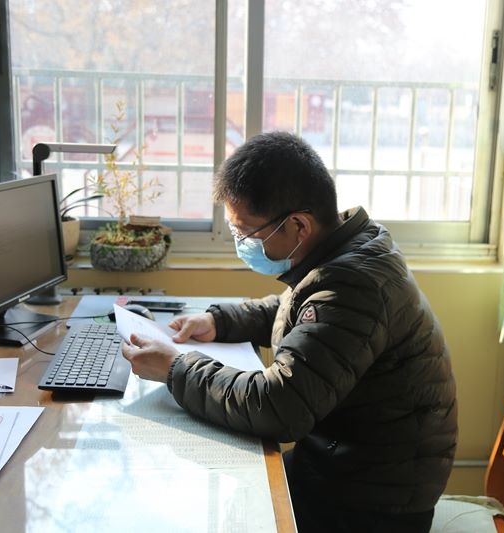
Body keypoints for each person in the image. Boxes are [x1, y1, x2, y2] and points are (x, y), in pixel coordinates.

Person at [121, 131, 457, 533]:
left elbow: (279, 407)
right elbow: (300, 315)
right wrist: (219, 322)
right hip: (346, 464)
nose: (241, 244)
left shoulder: (353, 286)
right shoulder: (348, 248)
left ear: (298, 225)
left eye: (246, 234)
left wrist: (176, 368)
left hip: (371, 503)